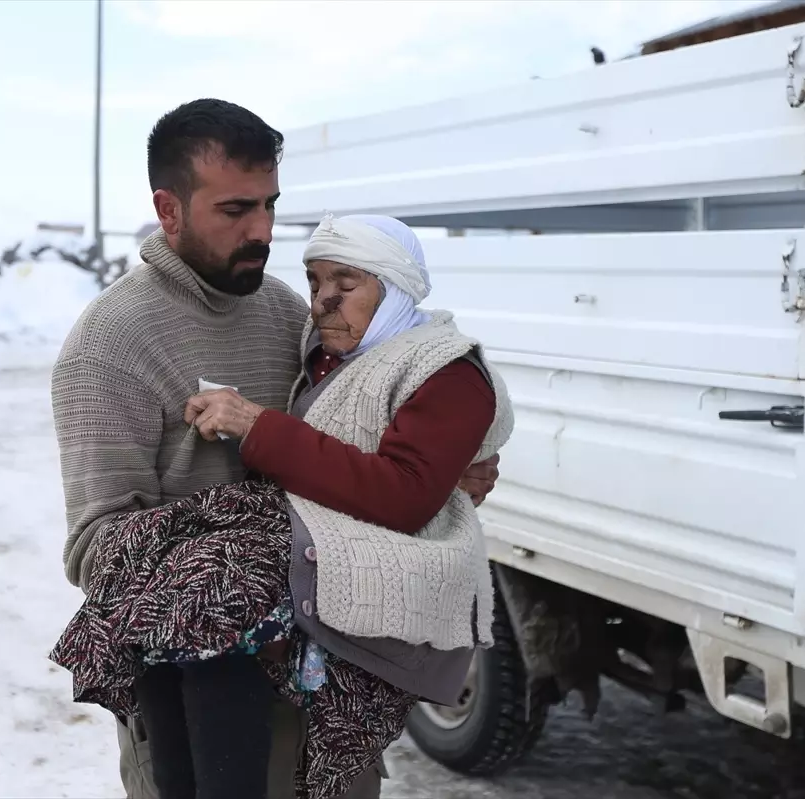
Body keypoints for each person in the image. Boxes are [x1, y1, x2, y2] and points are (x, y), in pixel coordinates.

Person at [50, 98, 501, 799]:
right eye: (236, 210)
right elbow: (96, 550)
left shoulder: (289, 311)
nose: (263, 230)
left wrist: (440, 472)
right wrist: (233, 577)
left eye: (270, 205)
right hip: (200, 707)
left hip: (326, 692)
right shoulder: (110, 346)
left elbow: (368, 439)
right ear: (169, 210)